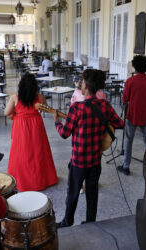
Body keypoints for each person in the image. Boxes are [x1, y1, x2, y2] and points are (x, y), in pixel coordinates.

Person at [52, 69, 124, 228]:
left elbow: (64, 133)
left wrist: (57, 121)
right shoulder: (105, 105)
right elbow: (120, 124)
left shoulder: (76, 108)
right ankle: (91, 223)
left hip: (78, 161)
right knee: (92, 193)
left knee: (73, 193)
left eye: (82, 81)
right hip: (95, 160)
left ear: (85, 85)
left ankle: (67, 221)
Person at [4, 73, 58, 191]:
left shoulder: (15, 97)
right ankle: (40, 179)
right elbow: (46, 109)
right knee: (39, 151)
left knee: (21, 151)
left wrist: (14, 116)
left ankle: (21, 180)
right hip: (36, 124)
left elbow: (6, 112)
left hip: (20, 125)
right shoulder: (40, 97)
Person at [117, 55, 146, 176]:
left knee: (128, 141)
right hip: (145, 115)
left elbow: (125, 98)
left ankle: (126, 166)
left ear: (135, 66)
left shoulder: (130, 81)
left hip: (132, 115)